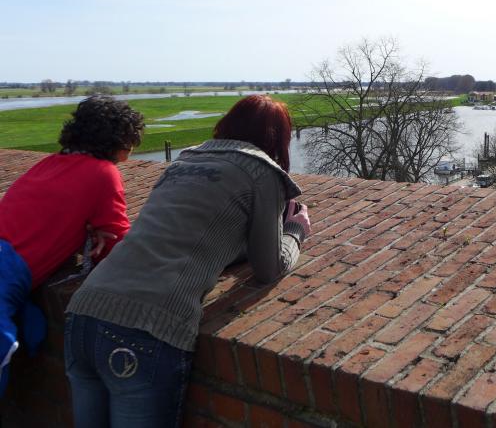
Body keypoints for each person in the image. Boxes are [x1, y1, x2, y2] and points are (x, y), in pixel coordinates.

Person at [64, 94, 311, 428]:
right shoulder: (262, 172)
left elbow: (190, 234)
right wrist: (295, 230)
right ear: (277, 139)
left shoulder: (185, 160)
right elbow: (270, 268)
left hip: (83, 313)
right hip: (144, 330)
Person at [0, 95, 144, 396]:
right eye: (131, 141)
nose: (131, 152)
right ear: (118, 140)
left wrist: (84, 232)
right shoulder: (103, 173)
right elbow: (119, 246)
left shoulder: (48, 163)